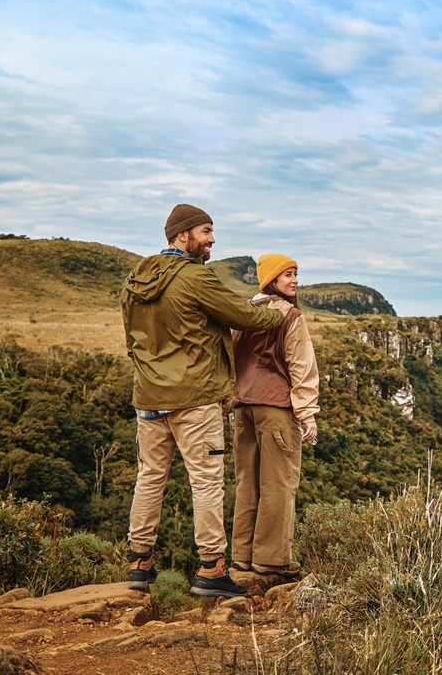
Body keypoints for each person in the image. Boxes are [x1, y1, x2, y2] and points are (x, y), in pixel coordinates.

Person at [120, 203, 290, 598]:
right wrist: (279, 312)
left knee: (149, 478)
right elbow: (243, 317)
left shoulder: (135, 280)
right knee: (206, 481)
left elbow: (132, 340)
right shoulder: (196, 277)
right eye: (206, 231)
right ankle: (212, 569)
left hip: (148, 396)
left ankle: (139, 564)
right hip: (194, 398)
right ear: (183, 235)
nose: (213, 239)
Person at [229, 253, 320, 579]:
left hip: (243, 408)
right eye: (287, 275)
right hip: (277, 411)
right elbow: (301, 366)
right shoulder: (290, 316)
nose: (294, 280)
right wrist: (308, 414)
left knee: (247, 483)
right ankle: (272, 561)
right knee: (278, 484)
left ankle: (241, 557)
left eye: (296, 273)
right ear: (272, 280)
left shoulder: (245, 312)